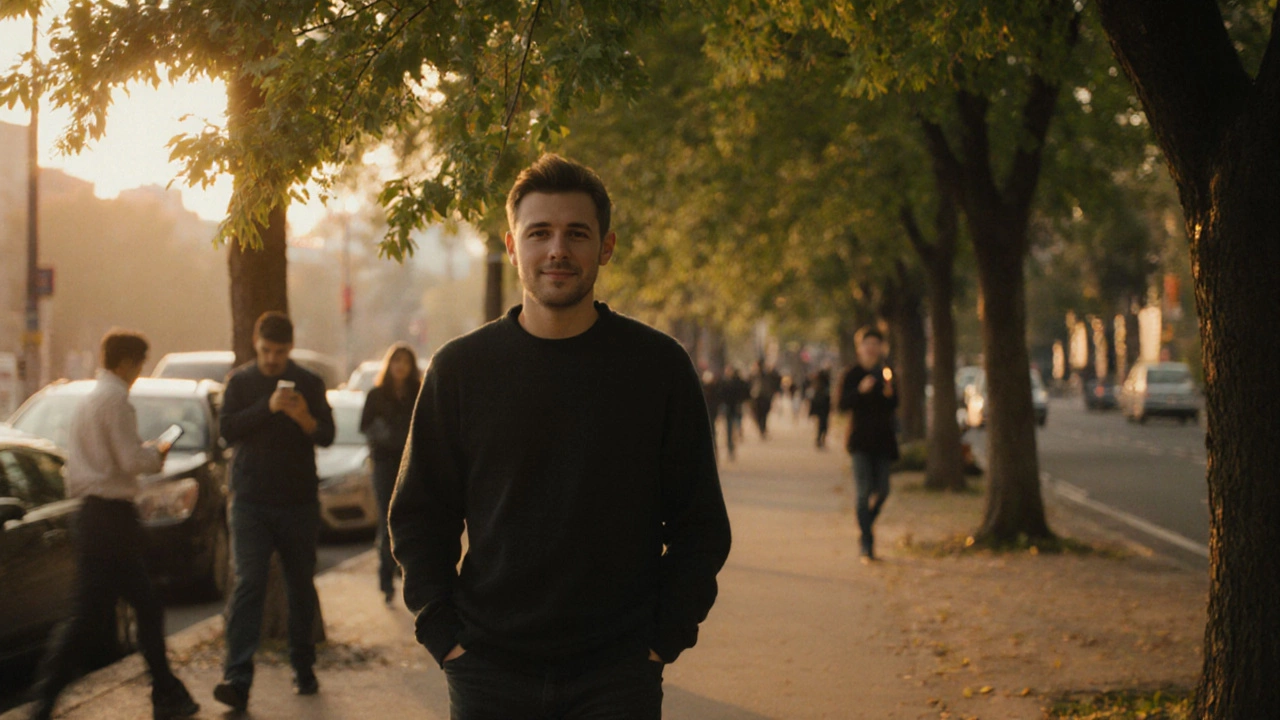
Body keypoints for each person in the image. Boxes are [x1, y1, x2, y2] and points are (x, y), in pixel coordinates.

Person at [390, 154, 732, 720]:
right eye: (540, 233)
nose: (558, 250)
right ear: (511, 244)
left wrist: (662, 639)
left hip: (617, 675)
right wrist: (444, 636)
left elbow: (701, 524)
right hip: (488, 671)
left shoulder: (657, 368)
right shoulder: (461, 369)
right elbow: (419, 515)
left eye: (577, 233)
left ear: (607, 246)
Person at [29, 330, 199, 720]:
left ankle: (163, 689)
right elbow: (129, 460)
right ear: (126, 363)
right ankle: (162, 691)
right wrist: (156, 454)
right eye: (139, 364)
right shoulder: (117, 401)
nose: (139, 372)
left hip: (92, 515)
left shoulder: (89, 400)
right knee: (118, 611)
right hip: (112, 519)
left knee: (103, 612)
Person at [214, 313, 335, 712]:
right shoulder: (241, 382)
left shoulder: (310, 382)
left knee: (300, 584)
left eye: (279, 353)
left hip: (298, 502)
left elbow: (328, 435)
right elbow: (227, 430)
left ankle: (302, 666)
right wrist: (267, 407)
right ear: (255, 343)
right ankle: (237, 678)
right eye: (266, 351)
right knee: (249, 583)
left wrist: (302, 417)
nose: (271, 359)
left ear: (290, 349)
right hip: (250, 501)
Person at [360, 342, 422, 604]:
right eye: (396, 361)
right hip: (384, 463)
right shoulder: (376, 394)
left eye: (405, 362)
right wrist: (385, 435)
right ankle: (386, 579)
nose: (400, 367)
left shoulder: (419, 392)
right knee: (387, 522)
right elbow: (365, 426)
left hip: (412, 463)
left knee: (411, 519)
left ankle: (407, 573)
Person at [837, 327, 900, 562]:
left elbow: (895, 403)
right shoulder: (851, 374)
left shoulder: (886, 372)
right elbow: (842, 405)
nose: (871, 347)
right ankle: (867, 542)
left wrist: (889, 393)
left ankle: (866, 523)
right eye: (867, 343)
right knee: (863, 492)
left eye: (876, 343)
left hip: (883, 441)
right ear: (859, 348)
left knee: (883, 490)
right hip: (860, 441)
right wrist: (860, 392)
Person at [809, 368, 832, 449]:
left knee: (822, 425)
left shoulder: (817, 386)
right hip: (824, 409)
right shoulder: (823, 387)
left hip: (822, 409)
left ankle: (820, 440)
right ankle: (820, 440)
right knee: (823, 425)